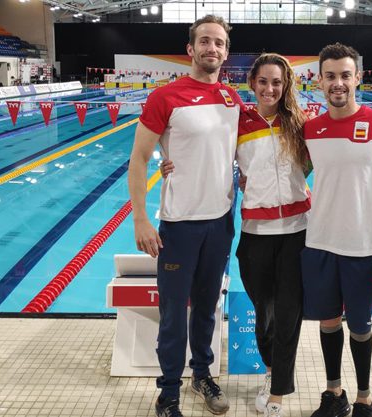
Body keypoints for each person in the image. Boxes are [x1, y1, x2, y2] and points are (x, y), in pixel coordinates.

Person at [161, 53, 310, 417]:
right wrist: (167, 161)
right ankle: (271, 370)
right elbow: (205, 150)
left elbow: (318, 164)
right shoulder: (238, 121)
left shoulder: (301, 123)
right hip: (255, 231)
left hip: (296, 229)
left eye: (277, 82)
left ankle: (277, 390)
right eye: (263, 81)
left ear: (285, 85)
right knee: (264, 311)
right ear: (252, 83)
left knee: (289, 312)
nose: (270, 88)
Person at [128, 15, 243, 417]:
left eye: (220, 43)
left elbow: (241, 153)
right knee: (175, 313)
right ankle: (169, 391)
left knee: (208, 306)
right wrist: (141, 217)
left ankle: (202, 373)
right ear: (191, 49)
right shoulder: (166, 97)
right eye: (206, 42)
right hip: (178, 224)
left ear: (226, 52)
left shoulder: (233, 98)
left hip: (221, 221)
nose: (213, 49)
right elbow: (139, 158)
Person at [302, 43, 372, 417]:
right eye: (330, 76)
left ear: (357, 78)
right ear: (319, 81)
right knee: (328, 321)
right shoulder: (310, 129)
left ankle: (364, 396)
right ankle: (335, 394)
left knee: (361, 326)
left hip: (364, 247)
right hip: (318, 242)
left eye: (345, 75)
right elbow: (289, 175)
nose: (338, 83)